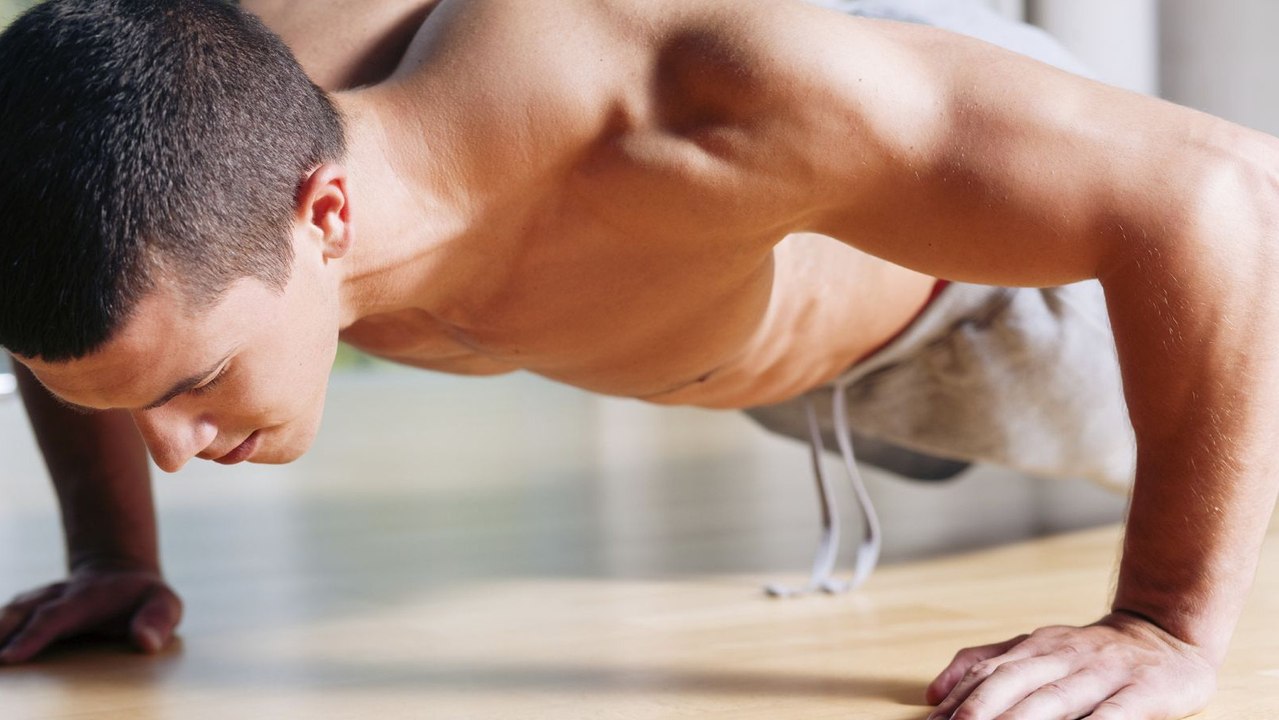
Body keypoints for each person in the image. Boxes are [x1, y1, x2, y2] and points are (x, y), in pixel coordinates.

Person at [0, 0, 1272, 717]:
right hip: (759, 353)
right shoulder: (192, 141)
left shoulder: (685, 105)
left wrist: (1161, 625)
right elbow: (95, 325)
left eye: (192, 388)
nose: (170, 448)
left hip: (1002, 323)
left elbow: (1216, 195)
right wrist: (115, 551)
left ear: (325, 215)